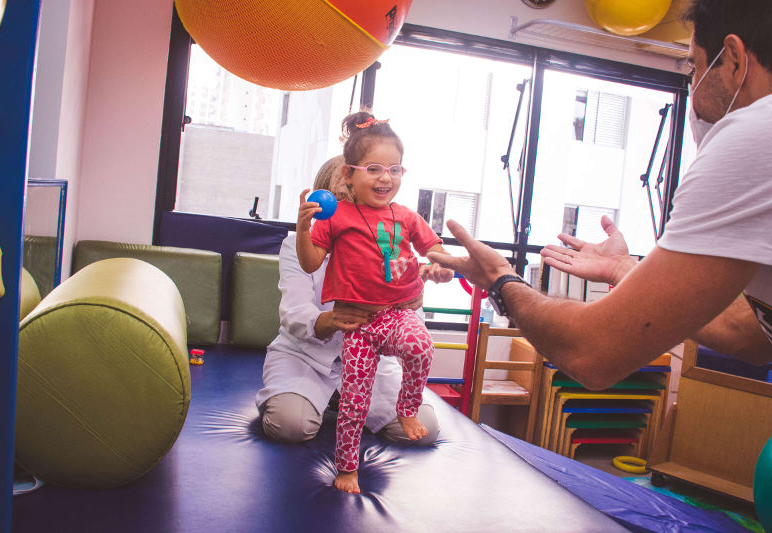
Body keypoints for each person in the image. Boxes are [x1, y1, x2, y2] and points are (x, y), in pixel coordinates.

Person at [427, 0, 772, 391]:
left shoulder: (756, 134)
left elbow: (592, 353)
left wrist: (499, 279)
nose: (691, 88)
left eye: (694, 67)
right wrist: (621, 268)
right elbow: (751, 335)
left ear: (734, 59)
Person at [296, 112, 455, 493]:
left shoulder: (407, 216)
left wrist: (441, 267)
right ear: (348, 174)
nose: (386, 177)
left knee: (420, 346)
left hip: (397, 314)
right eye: (373, 169)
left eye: (395, 169)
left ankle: (407, 407)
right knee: (354, 402)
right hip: (359, 326)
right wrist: (303, 227)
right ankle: (348, 468)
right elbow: (310, 262)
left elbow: (436, 250)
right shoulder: (337, 218)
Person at [255, 155, 440, 478]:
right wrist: (328, 320)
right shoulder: (297, 246)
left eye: (355, 203)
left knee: (425, 430)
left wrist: (409, 309)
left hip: (372, 361)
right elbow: (294, 313)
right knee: (290, 426)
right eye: (338, 202)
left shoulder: (389, 245)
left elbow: (413, 322)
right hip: (307, 357)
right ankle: (301, 397)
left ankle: (344, 403)